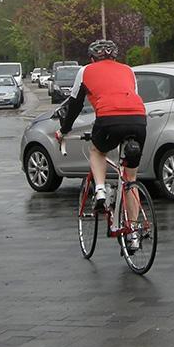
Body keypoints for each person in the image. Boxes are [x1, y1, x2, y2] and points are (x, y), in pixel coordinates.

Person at [54, 39, 147, 249]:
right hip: (138, 119)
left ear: (92, 58)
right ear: (115, 57)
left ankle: (100, 191)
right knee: (130, 177)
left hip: (108, 120)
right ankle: (133, 234)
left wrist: (65, 130)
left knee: (97, 150)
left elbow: (75, 105)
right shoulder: (128, 71)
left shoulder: (86, 71)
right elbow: (133, 96)